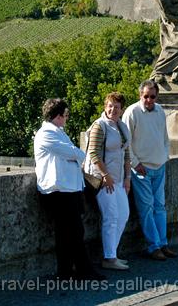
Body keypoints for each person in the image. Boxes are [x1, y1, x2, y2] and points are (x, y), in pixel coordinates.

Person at [34, 98, 104, 280]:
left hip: (68, 189)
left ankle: (67, 271)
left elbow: (74, 154)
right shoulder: (46, 134)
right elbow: (76, 153)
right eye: (65, 115)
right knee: (73, 232)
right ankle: (82, 270)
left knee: (68, 233)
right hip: (58, 191)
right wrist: (76, 154)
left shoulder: (58, 132)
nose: (66, 118)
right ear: (57, 116)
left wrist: (75, 154)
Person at [122, 80, 178, 260]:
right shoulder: (132, 112)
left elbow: (164, 137)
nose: (149, 100)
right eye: (145, 96)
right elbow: (126, 143)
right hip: (142, 168)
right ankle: (154, 246)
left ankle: (163, 244)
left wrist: (165, 156)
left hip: (159, 165)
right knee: (146, 208)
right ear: (140, 95)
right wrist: (136, 164)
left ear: (157, 96)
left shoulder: (160, 111)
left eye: (152, 96)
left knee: (160, 207)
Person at [84, 92, 132, 271]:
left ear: (122, 110)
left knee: (124, 215)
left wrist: (128, 178)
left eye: (117, 107)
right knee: (111, 217)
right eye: (110, 106)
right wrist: (105, 175)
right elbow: (93, 153)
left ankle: (112, 253)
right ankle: (109, 258)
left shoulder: (122, 126)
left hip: (118, 179)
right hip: (102, 180)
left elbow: (127, 154)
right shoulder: (99, 126)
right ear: (105, 107)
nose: (113, 109)